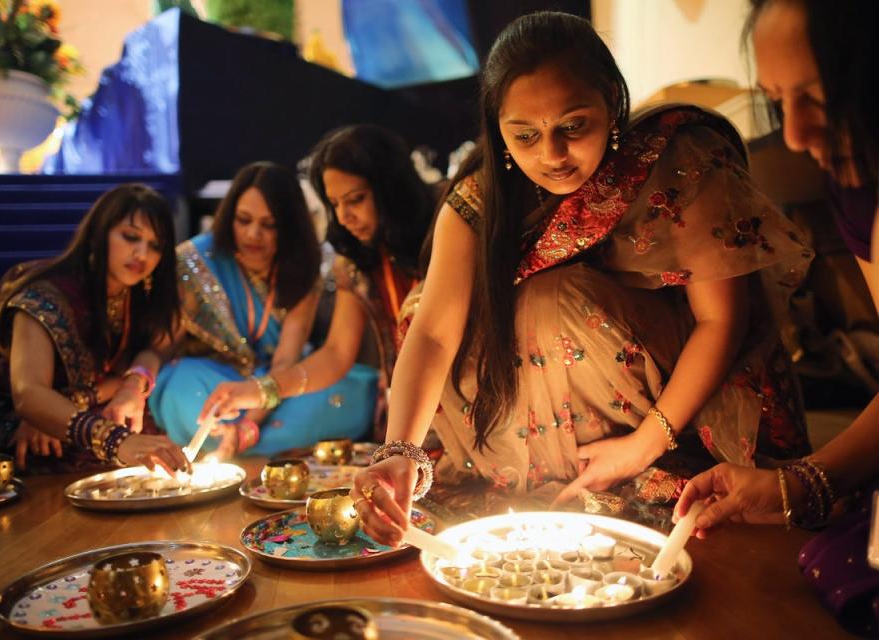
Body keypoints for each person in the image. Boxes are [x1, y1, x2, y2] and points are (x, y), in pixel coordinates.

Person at [348, 10, 815, 548]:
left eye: (573, 127)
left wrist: (642, 444)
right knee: (426, 306)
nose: (552, 155)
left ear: (612, 105)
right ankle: (548, 474)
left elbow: (722, 320)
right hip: (531, 430)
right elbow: (432, 333)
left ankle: (615, 468)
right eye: (524, 135)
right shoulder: (480, 199)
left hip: (670, 405)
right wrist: (398, 454)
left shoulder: (674, 161)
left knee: (552, 299)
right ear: (498, 130)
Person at [676, 0, 879, 533]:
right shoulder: (855, 187)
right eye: (777, 101)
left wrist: (804, 484)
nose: (793, 135)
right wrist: (796, 485)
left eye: (816, 97)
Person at [0, 184, 189, 475]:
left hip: (80, 404)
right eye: (131, 237)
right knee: (73, 449)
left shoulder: (136, 295)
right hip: (2, 407)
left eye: (155, 246)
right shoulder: (46, 295)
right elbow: (28, 394)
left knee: (144, 423)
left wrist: (131, 385)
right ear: (99, 234)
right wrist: (116, 440)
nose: (142, 254)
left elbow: (147, 354)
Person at [198, 125, 437, 440]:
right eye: (335, 204)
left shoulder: (443, 233)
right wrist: (258, 391)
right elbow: (337, 353)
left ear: (390, 188)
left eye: (355, 199)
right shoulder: (355, 260)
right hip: (414, 414)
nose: (344, 217)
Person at [149, 162, 379, 458]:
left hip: (277, 380)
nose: (253, 234)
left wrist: (248, 428)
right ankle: (270, 442)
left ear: (289, 228)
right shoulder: (197, 260)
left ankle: (239, 442)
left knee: (345, 399)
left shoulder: (303, 270)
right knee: (185, 389)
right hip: (215, 376)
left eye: (268, 225)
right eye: (243, 220)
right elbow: (165, 348)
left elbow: (285, 361)